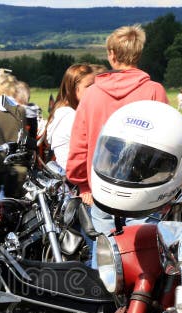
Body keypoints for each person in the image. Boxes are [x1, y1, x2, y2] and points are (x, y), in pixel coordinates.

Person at [66, 24, 168, 235]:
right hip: (143, 190)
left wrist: (83, 185)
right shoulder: (154, 91)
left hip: (102, 188)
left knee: (105, 257)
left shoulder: (92, 94)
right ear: (138, 53)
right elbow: (168, 142)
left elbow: (79, 145)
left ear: (111, 55)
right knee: (143, 255)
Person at [44, 63, 103, 170]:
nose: (94, 90)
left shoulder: (65, 112)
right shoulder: (70, 117)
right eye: (88, 86)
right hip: (75, 179)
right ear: (74, 89)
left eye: (95, 86)